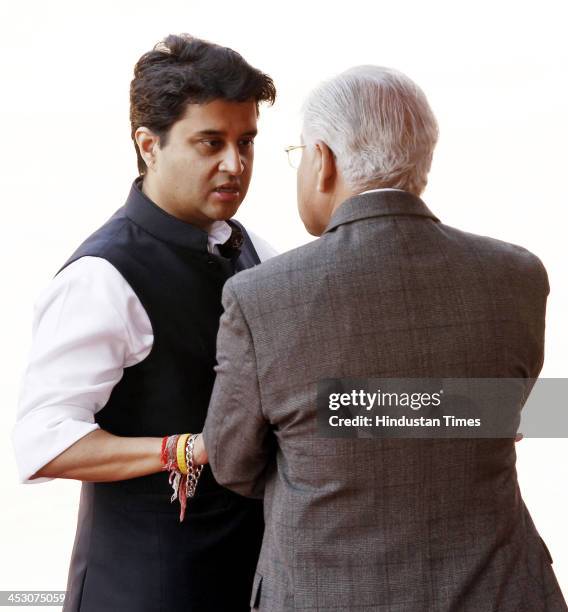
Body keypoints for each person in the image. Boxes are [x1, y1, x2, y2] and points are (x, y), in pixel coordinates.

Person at [200, 66, 567, 610]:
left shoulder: (260, 298)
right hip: (503, 590)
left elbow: (232, 466)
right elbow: (501, 414)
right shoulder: (517, 274)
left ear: (322, 161)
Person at [13, 33, 276, 611]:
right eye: (210, 143)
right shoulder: (101, 277)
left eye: (247, 142)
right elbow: (42, 442)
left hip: (245, 579)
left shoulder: (256, 249)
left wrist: (467, 410)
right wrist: (188, 450)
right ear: (148, 145)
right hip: (141, 587)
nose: (235, 165)